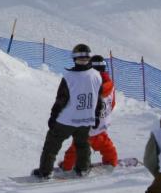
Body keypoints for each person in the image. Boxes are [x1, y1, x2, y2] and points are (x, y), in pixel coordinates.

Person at [32, 43, 104, 179]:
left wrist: (53, 117)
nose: (82, 62)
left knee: (52, 145)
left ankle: (45, 172)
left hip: (67, 120)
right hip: (86, 119)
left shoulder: (69, 77)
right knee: (83, 145)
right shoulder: (97, 75)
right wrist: (96, 116)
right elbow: (98, 99)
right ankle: (82, 169)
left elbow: (61, 100)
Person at [61, 54, 118, 170]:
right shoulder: (110, 86)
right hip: (101, 126)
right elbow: (112, 104)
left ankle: (67, 167)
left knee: (76, 149)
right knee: (106, 146)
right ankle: (111, 161)